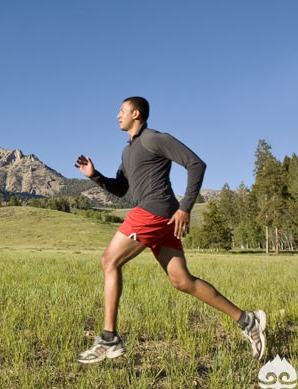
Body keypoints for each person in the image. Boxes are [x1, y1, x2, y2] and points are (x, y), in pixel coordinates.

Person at [73, 96, 266, 364]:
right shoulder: (128, 151)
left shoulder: (154, 138)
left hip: (155, 211)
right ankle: (248, 320)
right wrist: (94, 175)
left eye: (122, 111)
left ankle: (109, 338)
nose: (118, 115)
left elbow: (196, 164)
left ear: (136, 114)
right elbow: (120, 189)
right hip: (160, 216)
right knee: (182, 281)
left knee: (109, 260)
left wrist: (185, 207)